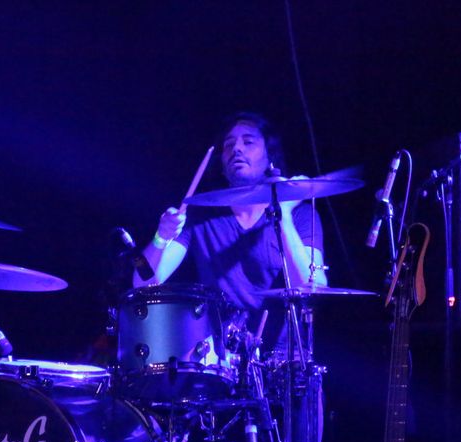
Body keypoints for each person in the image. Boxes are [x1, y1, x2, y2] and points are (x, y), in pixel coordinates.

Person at [133, 112, 327, 353]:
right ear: (223, 165)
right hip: (221, 359)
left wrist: (284, 214)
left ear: (270, 157)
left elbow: (310, 285)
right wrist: (160, 238)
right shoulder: (201, 214)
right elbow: (144, 282)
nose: (237, 149)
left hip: (283, 360)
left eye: (248, 141)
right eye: (229, 144)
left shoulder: (301, 215)